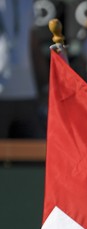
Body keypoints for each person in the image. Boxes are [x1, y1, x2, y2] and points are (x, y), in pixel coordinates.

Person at [0, 0, 46, 138]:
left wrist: (45, 84)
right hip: (2, 90)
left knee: (33, 153)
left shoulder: (27, 3)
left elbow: (33, 44)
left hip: (27, 91)